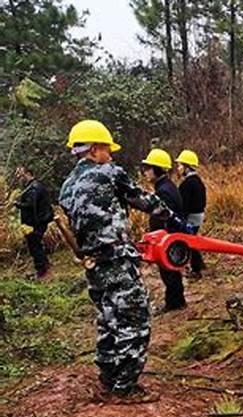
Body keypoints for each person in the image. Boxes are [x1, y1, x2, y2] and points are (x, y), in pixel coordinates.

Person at [59, 119, 171, 398]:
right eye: (107, 149)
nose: (111, 154)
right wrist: (169, 214)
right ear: (95, 148)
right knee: (135, 319)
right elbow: (144, 201)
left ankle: (108, 376)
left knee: (108, 318)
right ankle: (126, 387)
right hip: (117, 259)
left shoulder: (66, 187)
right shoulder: (109, 172)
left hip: (93, 264)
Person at [141, 148, 187, 313]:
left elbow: (166, 216)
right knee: (171, 270)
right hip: (167, 237)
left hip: (166, 238)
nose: (145, 172)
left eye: (148, 168)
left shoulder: (164, 191)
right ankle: (176, 300)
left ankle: (175, 302)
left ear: (157, 169)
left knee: (169, 271)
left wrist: (160, 238)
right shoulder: (166, 186)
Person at [14, 166, 53, 279]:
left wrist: (16, 204)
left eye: (19, 175)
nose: (18, 177)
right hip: (35, 222)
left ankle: (43, 272)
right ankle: (43, 268)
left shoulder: (34, 187)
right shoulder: (31, 186)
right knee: (36, 246)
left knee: (35, 246)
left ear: (27, 173)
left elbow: (30, 205)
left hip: (36, 222)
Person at [176, 149, 207, 279]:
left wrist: (180, 218)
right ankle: (199, 264)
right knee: (192, 240)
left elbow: (184, 205)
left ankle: (196, 268)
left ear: (186, 167)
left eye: (180, 165)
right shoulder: (198, 181)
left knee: (190, 242)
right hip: (199, 215)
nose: (178, 168)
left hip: (191, 217)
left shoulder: (187, 184)